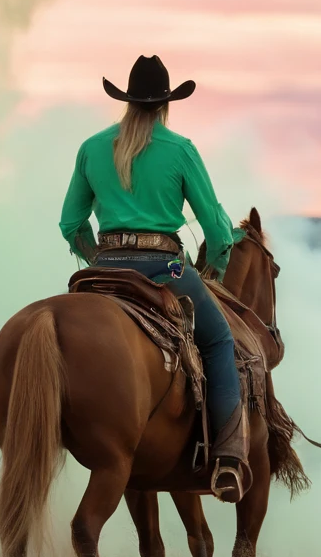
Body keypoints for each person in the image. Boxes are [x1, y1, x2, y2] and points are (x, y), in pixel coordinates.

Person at [59, 54, 247, 501]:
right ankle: (227, 459)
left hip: (104, 269)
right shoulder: (180, 149)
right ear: (166, 104)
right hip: (166, 268)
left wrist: (97, 261)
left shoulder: (92, 147)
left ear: (125, 100)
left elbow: (71, 223)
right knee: (220, 341)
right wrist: (212, 270)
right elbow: (219, 232)